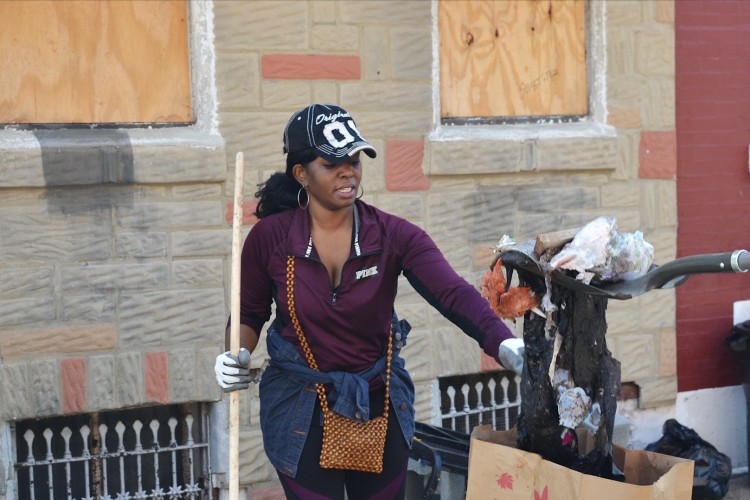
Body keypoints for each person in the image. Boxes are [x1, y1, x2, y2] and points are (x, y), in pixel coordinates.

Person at [214, 103, 524, 499]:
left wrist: (503, 342)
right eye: (332, 163)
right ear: (301, 174)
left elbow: (452, 293)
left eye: (355, 160)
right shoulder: (270, 239)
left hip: (378, 402)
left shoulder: (393, 235)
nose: (348, 171)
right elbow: (250, 313)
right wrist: (233, 354)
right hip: (299, 407)